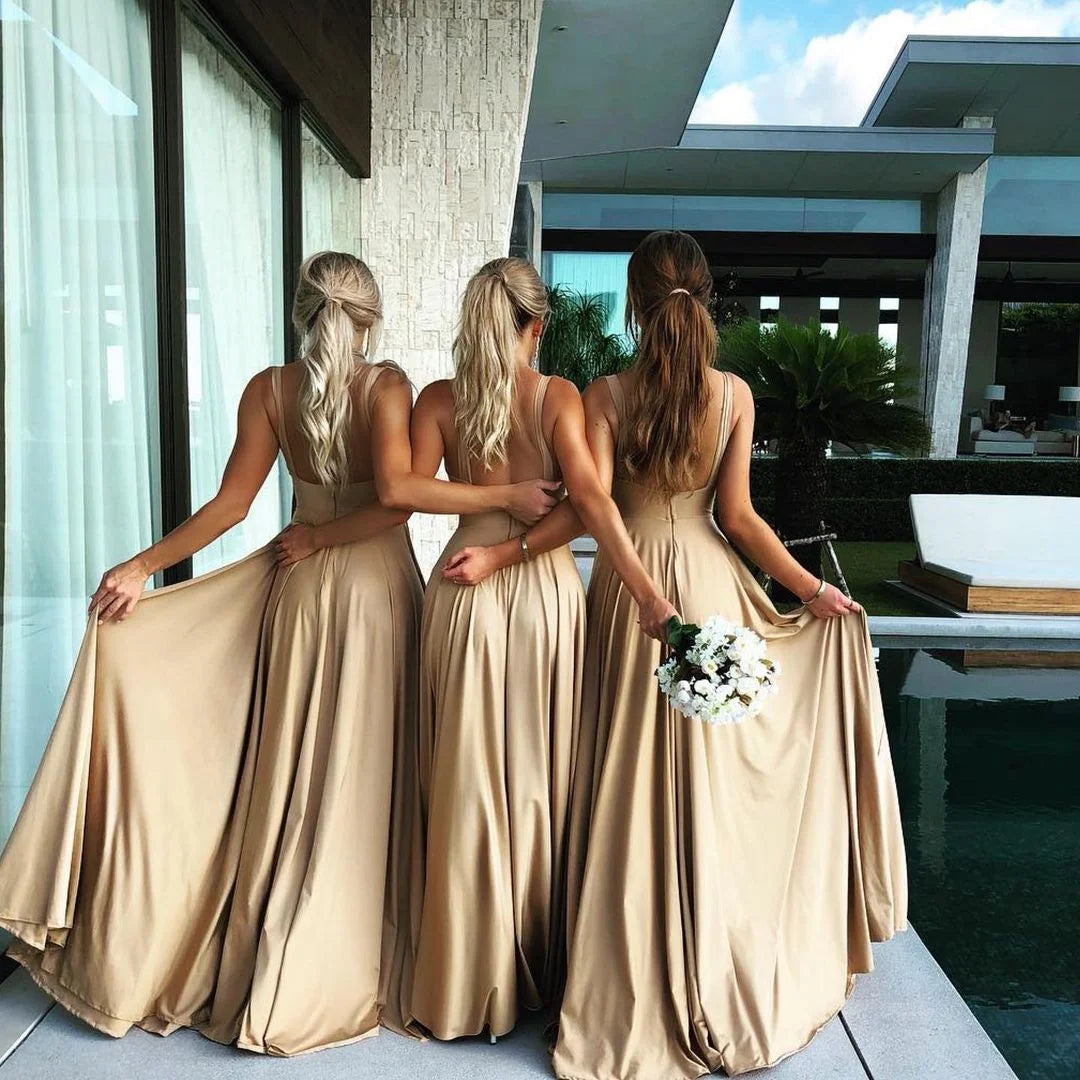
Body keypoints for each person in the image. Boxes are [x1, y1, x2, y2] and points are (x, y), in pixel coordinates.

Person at [0, 251, 556, 1057]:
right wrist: (504, 499)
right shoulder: (389, 387)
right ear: (368, 320)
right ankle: (353, 933)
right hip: (373, 597)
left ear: (301, 312)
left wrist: (142, 567)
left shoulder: (270, 389)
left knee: (295, 766)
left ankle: (279, 933)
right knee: (371, 768)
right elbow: (397, 506)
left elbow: (231, 506)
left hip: (300, 591)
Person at [450, 232, 908, 1078]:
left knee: (622, 774)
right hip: (706, 582)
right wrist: (811, 591)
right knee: (710, 780)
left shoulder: (606, 393)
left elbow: (593, 508)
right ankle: (715, 938)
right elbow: (739, 519)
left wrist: (536, 559)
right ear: (706, 294)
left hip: (628, 595)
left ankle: (619, 964)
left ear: (634, 299)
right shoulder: (732, 395)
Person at [379, 256, 673, 1043]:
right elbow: (588, 503)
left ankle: (462, 969)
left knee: (465, 773)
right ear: (535, 325)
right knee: (540, 778)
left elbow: (403, 491)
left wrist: (485, 509)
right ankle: (530, 969)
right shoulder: (556, 397)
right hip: (538, 593)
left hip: (461, 586)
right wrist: (645, 591)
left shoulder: (442, 402)